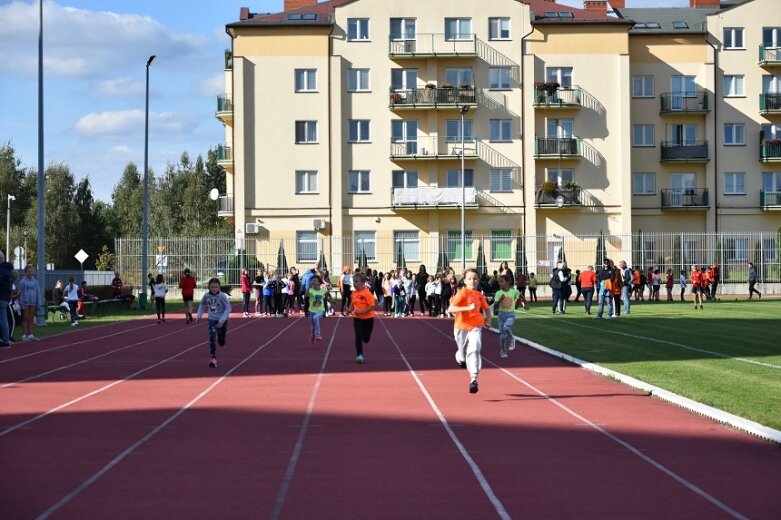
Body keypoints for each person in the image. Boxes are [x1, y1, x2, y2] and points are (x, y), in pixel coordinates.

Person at [448, 268, 491, 394]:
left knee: (475, 349)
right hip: (461, 327)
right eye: (470, 279)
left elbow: (487, 309)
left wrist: (488, 321)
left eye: (475, 278)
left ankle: (473, 379)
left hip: (476, 326)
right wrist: (467, 307)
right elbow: (450, 309)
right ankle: (460, 358)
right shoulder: (462, 293)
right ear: (465, 280)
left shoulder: (479, 295)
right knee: (462, 353)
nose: (473, 281)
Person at [195, 277, 231, 368]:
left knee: (221, 341)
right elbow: (202, 304)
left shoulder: (222, 296)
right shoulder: (206, 296)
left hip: (222, 320)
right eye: (212, 287)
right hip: (212, 319)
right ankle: (213, 358)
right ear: (209, 287)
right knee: (212, 337)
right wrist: (199, 314)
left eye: (216, 287)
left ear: (219, 287)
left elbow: (228, 308)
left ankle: (221, 339)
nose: (214, 289)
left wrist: (222, 319)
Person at [493, 274, 527, 358]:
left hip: (510, 315)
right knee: (502, 335)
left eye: (502, 281)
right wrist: (500, 300)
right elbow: (495, 306)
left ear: (508, 282)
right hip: (501, 315)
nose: (500, 283)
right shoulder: (498, 293)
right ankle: (503, 351)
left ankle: (511, 338)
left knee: (506, 328)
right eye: (499, 282)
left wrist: (526, 304)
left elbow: (521, 296)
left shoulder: (513, 291)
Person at [346, 272, 376, 364]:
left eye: (356, 281)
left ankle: (366, 337)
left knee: (366, 339)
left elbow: (372, 306)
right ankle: (359, 355)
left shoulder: (367, 293)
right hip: (357, 318)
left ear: (363, 283)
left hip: (368, 319)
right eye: (353, 282)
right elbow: (353, 302)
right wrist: (349, 309)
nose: (354, 284)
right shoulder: (354, 293)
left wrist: (362, 312)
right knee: (358, 336)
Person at [17, 266, 42, 341]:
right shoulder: (22, 281)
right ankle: (24, 335)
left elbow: (38, 292)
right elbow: (20, 293)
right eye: (29, 271)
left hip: (33, 302)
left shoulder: (35, 281)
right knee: (25, 318)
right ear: (25, 272)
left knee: (31, 318)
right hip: (25, 302)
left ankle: (30, 334)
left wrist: (38, 303)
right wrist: (21, 303)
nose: (30, 273)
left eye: (31, 271)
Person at [306, 274, 330, 343]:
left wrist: (331, 300)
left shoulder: (323, 290)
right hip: (312, 310)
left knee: (316, 318)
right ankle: (313, 335)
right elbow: (306, 295)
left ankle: (318, 334)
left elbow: (328, 295)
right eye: (312, 281)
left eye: (315, 281)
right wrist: (308, 287)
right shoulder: (311, 290)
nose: (313, 282)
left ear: (319, 282)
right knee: (313, 326)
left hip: (320, 309)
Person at [0, 252, 14, 348]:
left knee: (3, 319)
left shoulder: (1, 270)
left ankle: (5, 340)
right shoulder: (8, 270)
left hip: (1, 296)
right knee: (3, 319)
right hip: (5, 297)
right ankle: (6, 339)